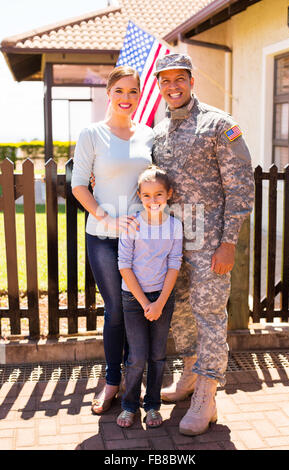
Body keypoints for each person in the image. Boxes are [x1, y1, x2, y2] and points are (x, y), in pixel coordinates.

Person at [152, 53, 254, 435]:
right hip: (173, 240)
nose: (172, 86)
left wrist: (228, 242)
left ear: (192, 81)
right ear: (159, 86)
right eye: (165, 80)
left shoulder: (219, 124)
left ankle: (207, 395)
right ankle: (191, 376)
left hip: (209, 239)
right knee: (180, 312)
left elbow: (241, 186)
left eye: (180, 78)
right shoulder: (160, 130)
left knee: (209, 315)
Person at [71, 66, 154, 415]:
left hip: (141, 240)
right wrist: (108, 217)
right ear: (109, 93)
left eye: (133, 92)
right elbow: (79, 185)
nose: (126, 98)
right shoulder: (92, 134)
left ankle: (136, 381)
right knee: (116, 310)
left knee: (138, 308)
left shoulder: (149, 135)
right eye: (119, 91)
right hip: (104, 238)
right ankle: (112, 381)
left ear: (139, 95)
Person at [116, 165, 183, 428]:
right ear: (139, 196)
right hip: (134, 299)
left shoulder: (174, 226)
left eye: (158, 194)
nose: (152, 200)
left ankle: (153, 406)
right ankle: (130, 405)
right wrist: (146, 303)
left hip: (163, 298)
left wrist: (160, 303)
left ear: (169, 194)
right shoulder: (132, 225)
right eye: (146, 195)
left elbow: (174, 264)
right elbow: (124, 265)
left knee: (157, 355)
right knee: (137, 356)